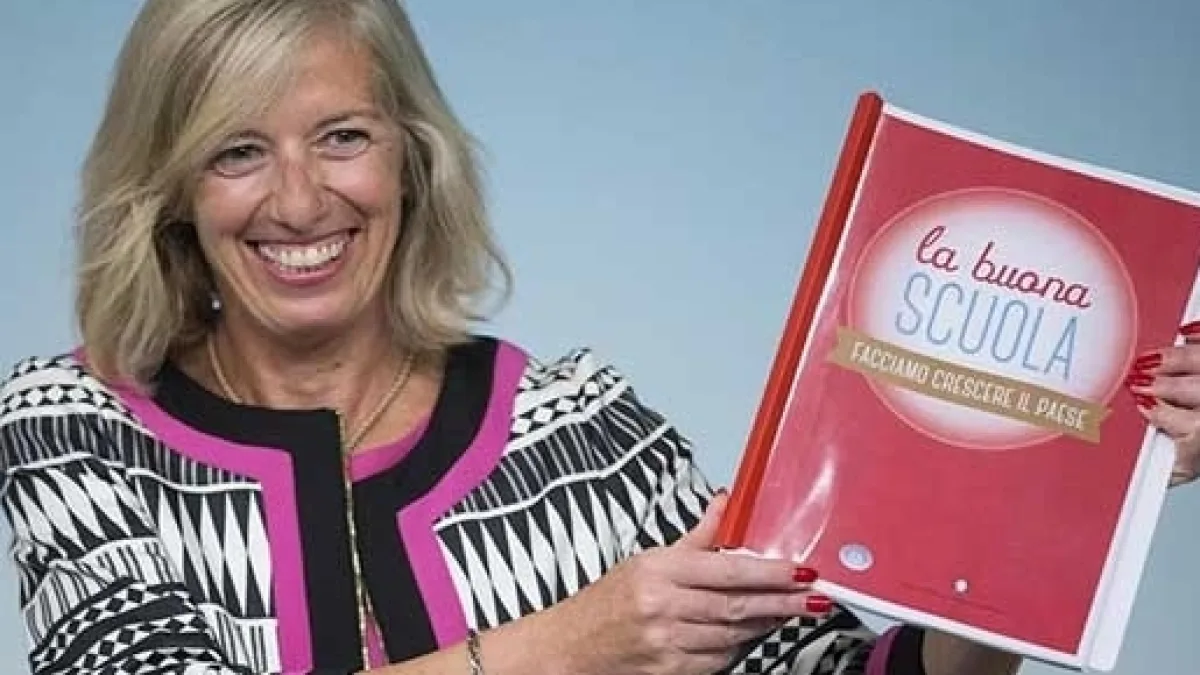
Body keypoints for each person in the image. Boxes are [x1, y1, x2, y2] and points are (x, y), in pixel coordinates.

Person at [1, 1, 1196, 674]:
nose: (302, 200)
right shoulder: (75, 426)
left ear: (414, 158)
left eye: (344, 136)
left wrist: (1072, 481)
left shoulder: (582, 428)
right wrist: (580, 644)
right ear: (169, 188)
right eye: (237, 151)